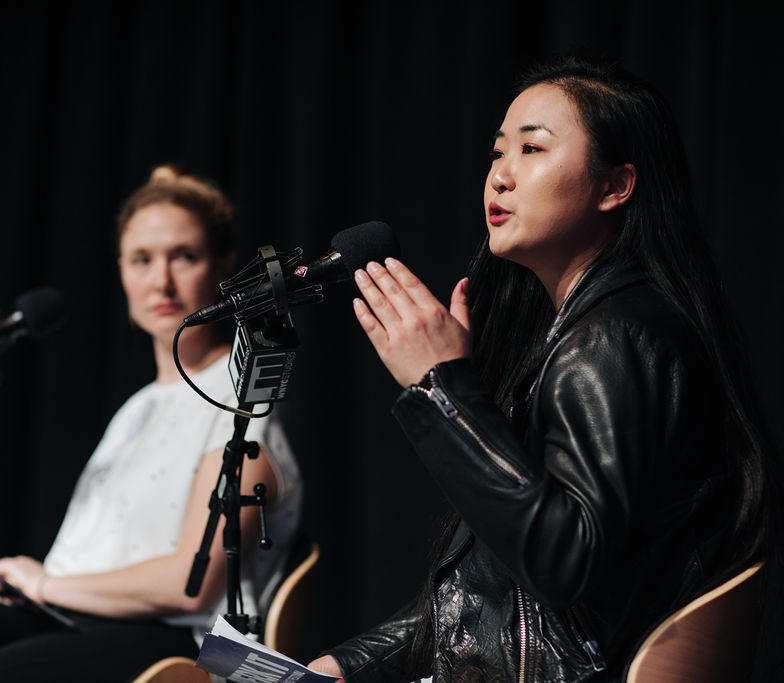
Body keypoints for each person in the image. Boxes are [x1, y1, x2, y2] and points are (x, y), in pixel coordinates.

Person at [307, 55, 779, 682]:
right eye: (498, 153)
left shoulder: (614, 338)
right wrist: (345, 664)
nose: (500, 176)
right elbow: (497, 589)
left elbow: (563, 561)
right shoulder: (594, 330)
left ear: (616, 186)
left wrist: (442, 387)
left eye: (532, 150)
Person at [0, 165, 303, 682]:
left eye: (184, 256)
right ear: (121, 270)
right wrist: (34, 585)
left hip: (190, 638)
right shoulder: (138, 408)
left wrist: (46, 584)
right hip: (78, 617)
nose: (161, 281)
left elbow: (190, 587)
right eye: (142, 260)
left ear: (222, 266)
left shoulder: (239, 400)